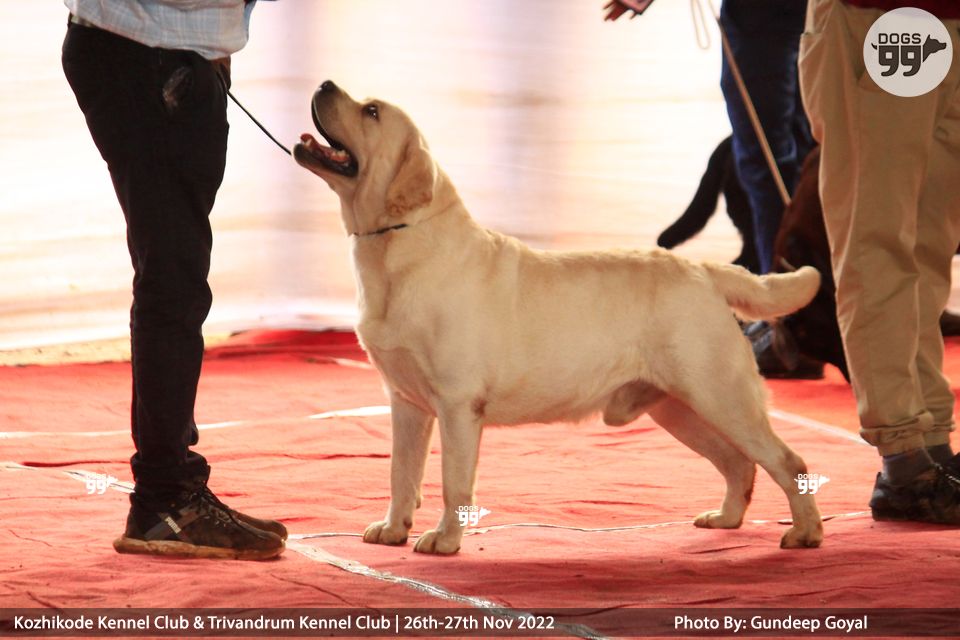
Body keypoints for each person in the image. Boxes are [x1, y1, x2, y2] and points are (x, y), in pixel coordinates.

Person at [62, 0, 286, 559]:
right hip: (150, 53)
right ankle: (166, 499)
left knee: (174, 272)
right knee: (173, 277)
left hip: (164, 53)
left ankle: (170, 489)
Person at [799, 0, 960, 522]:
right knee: (878, 240)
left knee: (929, 247)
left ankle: (932, 443)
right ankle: (903, 457)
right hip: (880, 17)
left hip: (948, 20)